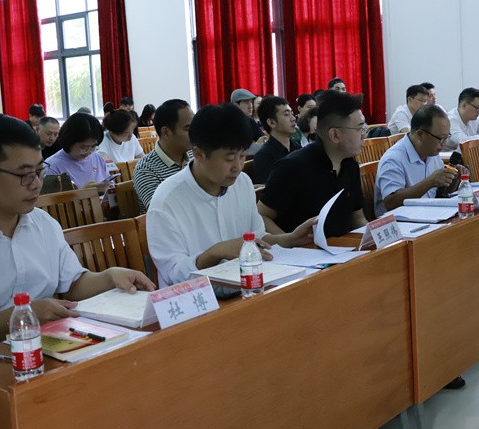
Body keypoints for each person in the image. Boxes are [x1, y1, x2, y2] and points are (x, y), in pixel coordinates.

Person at [0, 113, 153, 429]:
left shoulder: (43, 224)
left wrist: (109, 277)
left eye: (39, 171)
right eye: (24, 175)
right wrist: (24, 316)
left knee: (134, 404)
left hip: (51, 363)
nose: (36, 183)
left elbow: (73, 283)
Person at [146, 104, 315, 288]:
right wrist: (215, 253)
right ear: (199, 154)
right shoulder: (167, 201)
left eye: (242, 156)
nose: (238, 167)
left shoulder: (242, 183)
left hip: (246, 289)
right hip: (197, 298)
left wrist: (290, 239)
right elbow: (172, 273)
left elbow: (257, 238)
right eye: (229, 158)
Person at [259, 91, 368, 237]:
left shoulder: (350, 165)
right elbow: (261, 216)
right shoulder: (292, 167)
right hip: (303, 249)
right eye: (359, 128)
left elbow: (358, 218)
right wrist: (290, 242)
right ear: (335, 134)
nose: (364, 134)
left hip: (341, 247)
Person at [375, 106, 463, 216]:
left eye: (446, 137)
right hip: (401, 222)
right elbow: (390, 202)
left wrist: (453, 179)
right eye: (440, 138)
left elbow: (440, 195)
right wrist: (430, 182)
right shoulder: (393, 159)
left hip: (428, 215)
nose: (444, 144)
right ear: (420, 135)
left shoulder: (431, 152)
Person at [133, 99, 194, 214]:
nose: (194, 133)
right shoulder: (145, 169)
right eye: (187, 128)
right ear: (166, 132)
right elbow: (163, 213)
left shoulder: (195, 155)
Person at [45, 112, 111, 194]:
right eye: (83, 147)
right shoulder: (51, 166)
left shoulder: (97, 157)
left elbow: (110, 185)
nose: (89, 151)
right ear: (69, 141)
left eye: (93, 146)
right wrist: (82, 193)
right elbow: (51, 200)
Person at [252, 96, 299, 184]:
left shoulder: (297, 148)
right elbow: (266, 190)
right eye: (286, 114)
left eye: (292, 113)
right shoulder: (264, 156)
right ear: (271, 122)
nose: (293, 118)